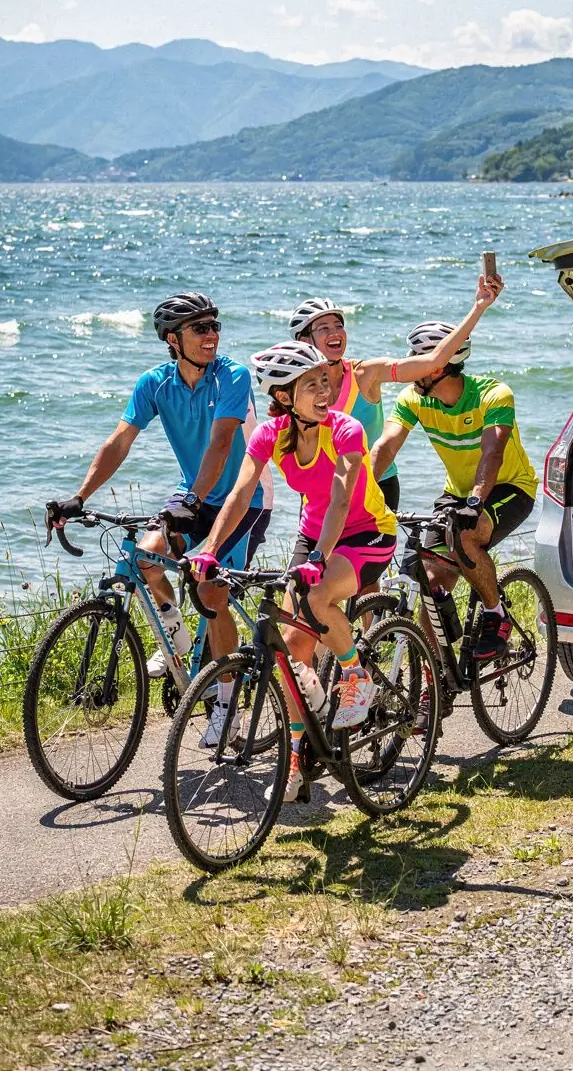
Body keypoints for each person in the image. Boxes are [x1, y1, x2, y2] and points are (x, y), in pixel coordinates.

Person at [190, 280, 499, 802]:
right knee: (291, 648)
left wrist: (317, 557)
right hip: (314, 536)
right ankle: (296, 758)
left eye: (322, 382)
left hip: (365, 532)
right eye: (311, 384)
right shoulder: (270, 434)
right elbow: (241, 494)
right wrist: (208, 549)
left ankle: (357, 675)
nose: (323, 389)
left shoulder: (347, 430)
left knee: (315, 597)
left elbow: (339, 499)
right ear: (284, 397)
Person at [47, 292, 273, 745]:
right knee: (145, 556)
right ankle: (177, 633)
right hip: (193, 492)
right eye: (200, 329)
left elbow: (221, 444)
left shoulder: (232, 376)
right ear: (173, 340)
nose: (212, 335)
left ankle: (227, 705)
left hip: (244, 499)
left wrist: (193, 498)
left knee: (211, 591)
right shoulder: (154, 383)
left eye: (215, 326)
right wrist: (79, 495)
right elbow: (119, 441)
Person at [370, 309, 537, 664]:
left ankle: (496, 615)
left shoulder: (494, 394)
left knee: (464, 537)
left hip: (509, 488)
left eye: (417, 359)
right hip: (457, 491)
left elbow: (491, 454)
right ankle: (437, 677)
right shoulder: (415, 399)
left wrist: (475, 501)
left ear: (441, 365)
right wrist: (360, 493)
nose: (410, 366)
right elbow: (386, 446)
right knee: (431, 581)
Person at [288, 298, 402, 511]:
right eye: (323, 328)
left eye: (339, 326)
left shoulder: (364, 374)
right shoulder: (294, 389)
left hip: (377, 484)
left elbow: (431, 362)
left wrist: (479, 307)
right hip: (322, 491)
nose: (335, 333)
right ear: (304, 341)